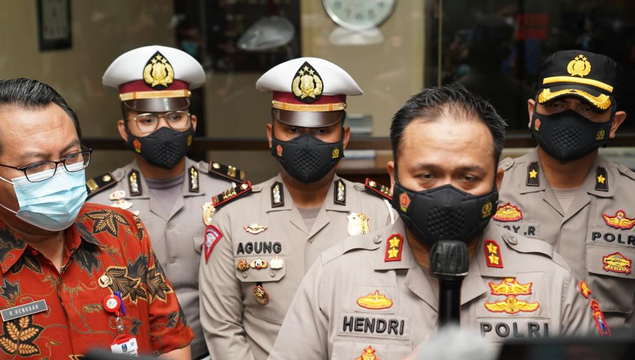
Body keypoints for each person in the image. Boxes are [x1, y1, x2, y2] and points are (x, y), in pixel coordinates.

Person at [268, 85, 604, 360]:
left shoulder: (552, 282)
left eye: (467, 177)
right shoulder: (335, 276)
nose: (447, 195)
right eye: (427, 176)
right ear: (395, 177)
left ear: (497, 183)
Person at [199, 57, 396, 360]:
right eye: (292, 129)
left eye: (321, 131)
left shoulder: (380, 213)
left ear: (343, 138)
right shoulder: (231, 217)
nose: (306, 143)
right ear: (270, 135)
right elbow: (223, 327)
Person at [0, 78, 192, 358]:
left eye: (71, 156)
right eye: (36, 165)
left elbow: (172, 341)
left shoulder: (121, 230)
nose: (60, 174)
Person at [87, 45, 245, 359]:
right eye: (146, 120)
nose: (164, 129)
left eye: (176, 117)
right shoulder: (98, 202)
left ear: (193, 123)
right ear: (124, 129)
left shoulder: (230, 194)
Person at [493, 50, 634, 328]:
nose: (570, 118)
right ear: (533, 112)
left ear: (614, 123)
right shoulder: (492, 188)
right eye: (557, 105)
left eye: (588, 108)